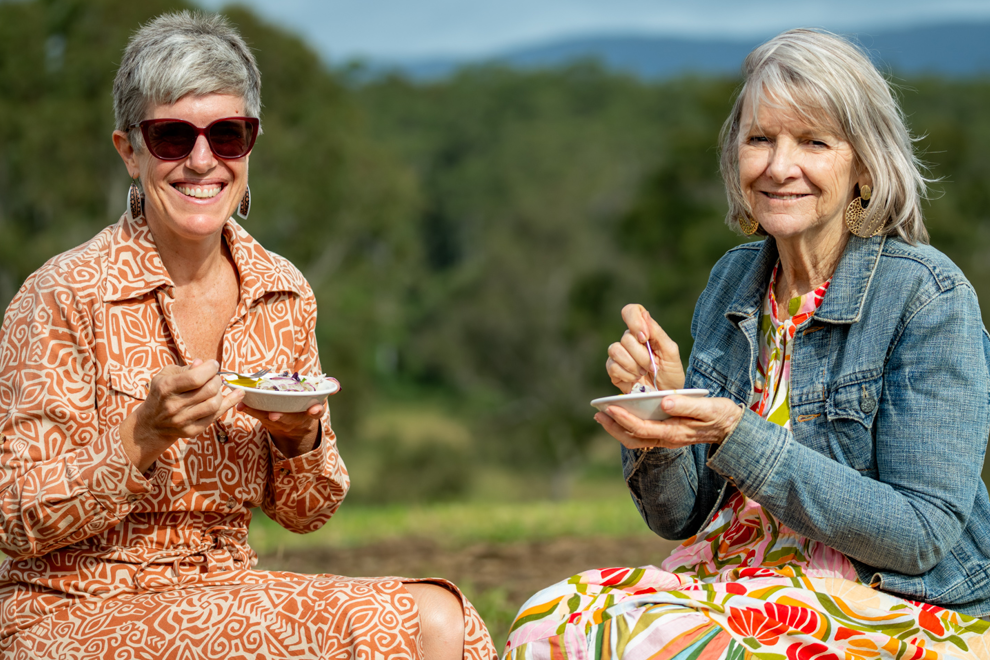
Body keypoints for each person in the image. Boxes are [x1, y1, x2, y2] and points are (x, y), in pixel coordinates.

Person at [0, 11, 494, 659]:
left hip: (224, 589)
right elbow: (14, 520)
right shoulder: (62, 294)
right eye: (173, 137)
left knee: (445, 619)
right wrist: (139, 440)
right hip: (73, 606)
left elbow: (307, 511)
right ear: (130, 150)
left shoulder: (281, 293)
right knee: (410, 622)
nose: (202, 161)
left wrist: (300, 437)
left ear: (250, 145)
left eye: (227, 135)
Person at [504, 28, 990, 659]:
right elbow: (678, 517)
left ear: (864, 164)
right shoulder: (735, 278)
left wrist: (737, 433)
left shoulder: (928, 297)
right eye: (760, 139)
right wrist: (664, 414)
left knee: (660, 642)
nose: (779, 166)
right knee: (545, 620)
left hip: (892, 601)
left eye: (814, 142)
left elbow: (921, 534)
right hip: (736, 579)